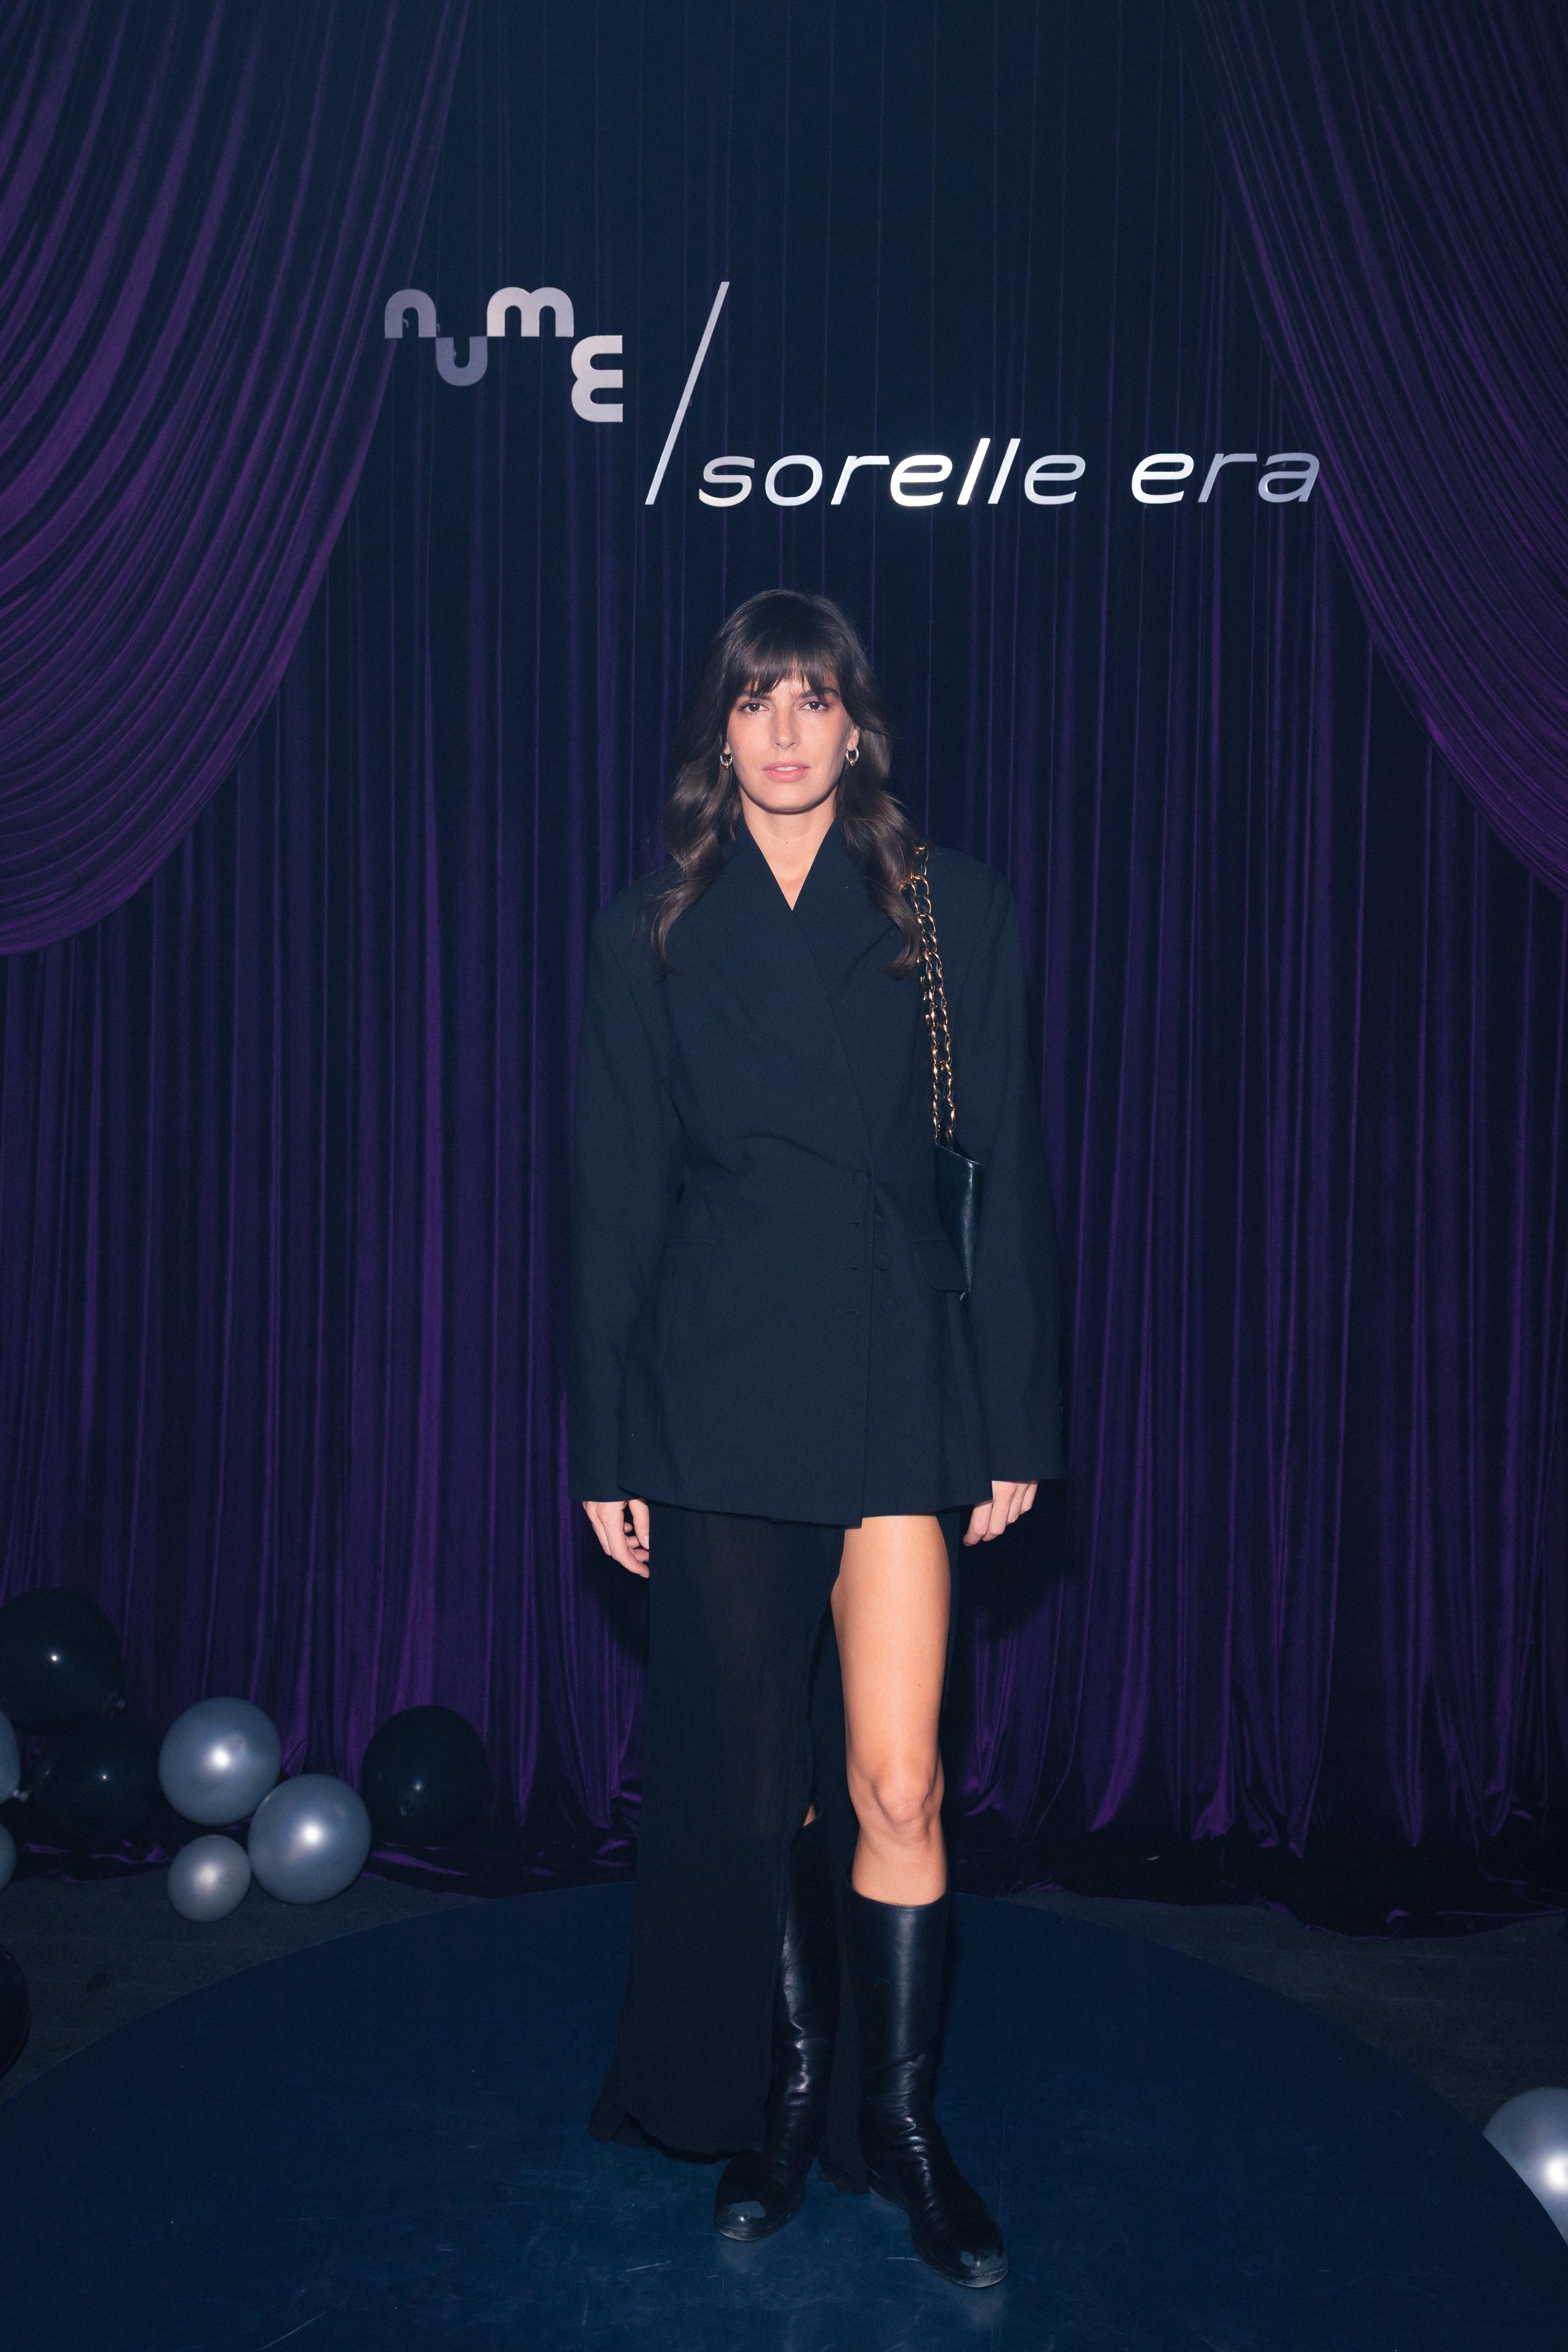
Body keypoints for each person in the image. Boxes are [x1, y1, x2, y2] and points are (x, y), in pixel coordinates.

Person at [569, 588, 1063, 2290]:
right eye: (753, 699)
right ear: (718, 731)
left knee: (898, 1779)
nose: (784, 730)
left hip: (893, 1379)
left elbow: (1002, 1170)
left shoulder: (949, 911)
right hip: (719, 1393)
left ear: (858, 723)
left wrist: (1013, 1412)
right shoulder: (648, 931)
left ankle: (901, 2129)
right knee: (763, 1789)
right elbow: (614, 1205)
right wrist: (609, 1442)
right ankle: (791, 2099)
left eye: (813, 697)